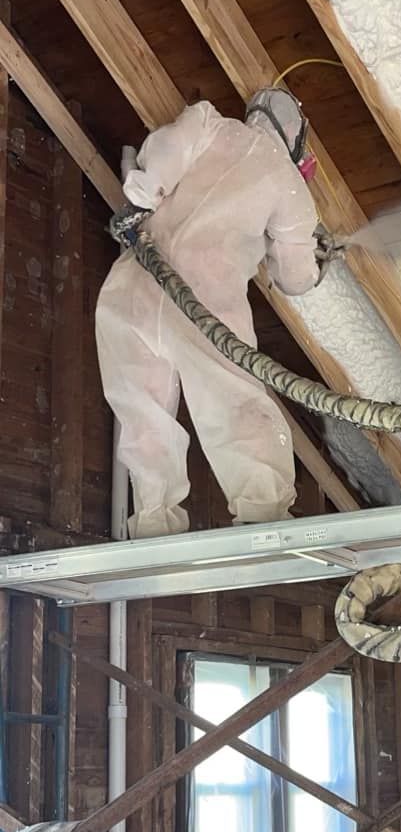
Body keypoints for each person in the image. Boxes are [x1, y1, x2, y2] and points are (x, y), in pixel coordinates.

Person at [96, 90, 320, 539]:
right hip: (205, 298)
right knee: (234, 400)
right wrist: (315, 266)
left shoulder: (209, 122)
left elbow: (162, 155)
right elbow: (294, 277)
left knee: (142, 408)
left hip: (131, 284)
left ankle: (155, 518)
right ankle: (264, 512)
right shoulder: (287, 182)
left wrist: (142, 194)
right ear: (295, 142)